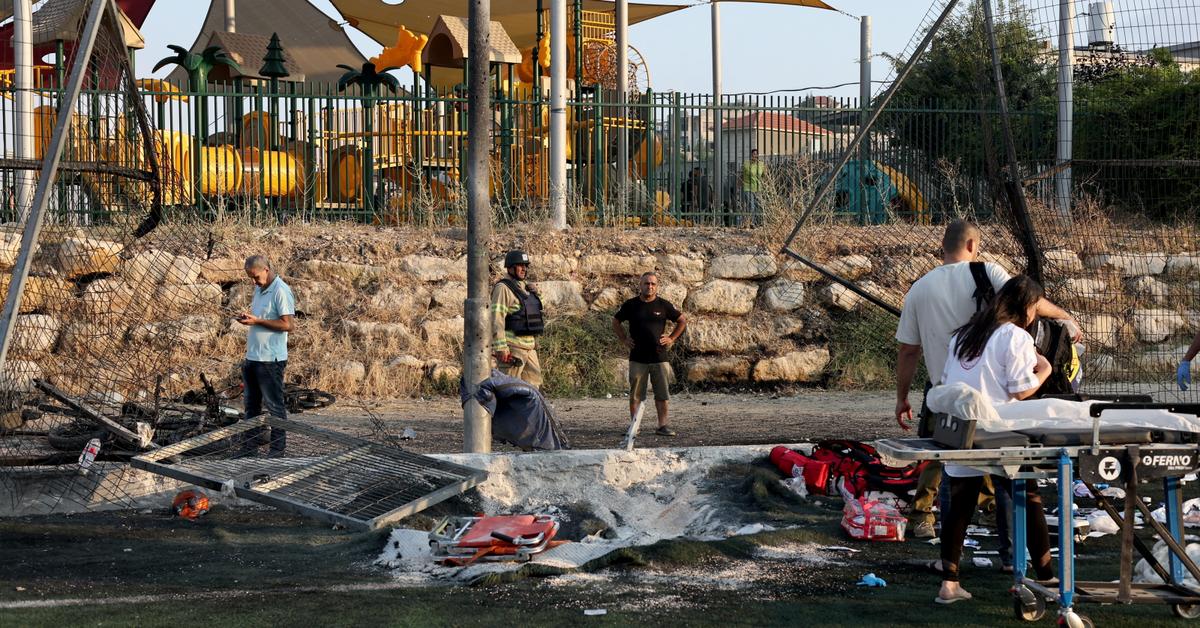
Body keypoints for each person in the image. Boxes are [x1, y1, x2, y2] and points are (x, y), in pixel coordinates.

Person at [895, 220, 1079, 541]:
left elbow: (909, 351)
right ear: (971, 246)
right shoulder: (987, 273)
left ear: (943, 245)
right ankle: (1009, 543)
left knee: (943, 457)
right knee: (1005, 465)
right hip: (989, 393)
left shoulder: (919, 288)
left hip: (944, 390)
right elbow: (1025, 299)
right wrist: (1064, 317)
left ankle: (929, 524)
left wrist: (902, 397)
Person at [934, 276, 1057, 604]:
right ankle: (1048, 577)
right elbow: (1020, 388)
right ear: (1027, 309)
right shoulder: (1015, 335)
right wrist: (1044, 369)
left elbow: (949, 380)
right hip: (1000, 431)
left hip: (962, 429)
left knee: (960, 504)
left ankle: (949, 583)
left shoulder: (964, 334)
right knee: (1027, 498)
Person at [612, 272, 687, 436]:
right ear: (640, 285)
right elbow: (616, 321)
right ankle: (635, 426)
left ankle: (662, 426)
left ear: (657, 286)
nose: (649, 286)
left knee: (662, 394)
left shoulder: (663, 305)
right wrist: (624, 339)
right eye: (646, 283)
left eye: (653, 284)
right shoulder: (631, 305)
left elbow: (682, 320)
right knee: (636, 395)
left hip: (659, 357)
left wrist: (672, 338)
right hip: (637, 358)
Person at [236, 255, 295, 457]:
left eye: (255, 277)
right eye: (250, 278)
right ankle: (249, 451)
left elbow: (288, 325)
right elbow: (261, 319)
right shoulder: (259, 289)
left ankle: (277, 453)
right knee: (251, 408)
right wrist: (250, 319)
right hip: (253, 357)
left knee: (275, 408)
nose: (253, 282)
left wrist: (258, 321)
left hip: (271, 360)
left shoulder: (281, 290)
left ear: (266, 270)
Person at [491, 250, 544, 388]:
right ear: (510, 267)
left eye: (525, 266)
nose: (524, 269)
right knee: (509, 389)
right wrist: (501, 347)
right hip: (513, 348)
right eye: (520, 265)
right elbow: (497, 318)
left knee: (533, 389)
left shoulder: (526, 287)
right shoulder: (503, 288)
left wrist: (537, 293)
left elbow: (538, 308)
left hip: (529, 348)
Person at [739, 148, 764, 226]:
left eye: (756, 154)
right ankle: (752, 223)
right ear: (751, 155)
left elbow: (764, 176)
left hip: (757, 188)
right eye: (753, 154)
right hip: (748, 187)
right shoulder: (746, 164)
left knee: (758, 206)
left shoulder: (761, 165)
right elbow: (741, 176)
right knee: (751, 206)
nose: (755, 156)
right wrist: (738, 186)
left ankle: (758, 222)